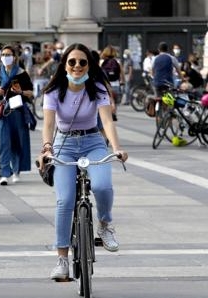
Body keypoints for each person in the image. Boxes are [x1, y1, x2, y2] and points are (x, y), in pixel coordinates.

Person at [36, 43, 128, 281]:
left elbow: (107, 122)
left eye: (82, 62)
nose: (77, 66)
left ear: (90, 65)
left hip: (93, 142)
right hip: (64, 145)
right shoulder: (53, 90)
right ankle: (62, 260)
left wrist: (116, 148)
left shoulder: (97, 88)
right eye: (72, 62)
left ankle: (105, 224)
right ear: (64, 64)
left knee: (102, 186)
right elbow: (48, 125)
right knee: (64, 200)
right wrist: (47, 148)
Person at [0, 45, 34, 185]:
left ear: (14, 57)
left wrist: (21, 92)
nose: (5, 57)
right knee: (2, 142)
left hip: (17, 110)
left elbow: (31, 93)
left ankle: (16, 170)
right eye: (3, 54)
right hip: (1, 111)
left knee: (17, 141)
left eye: (8, 54)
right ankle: (4, 172)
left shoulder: (22, 73)